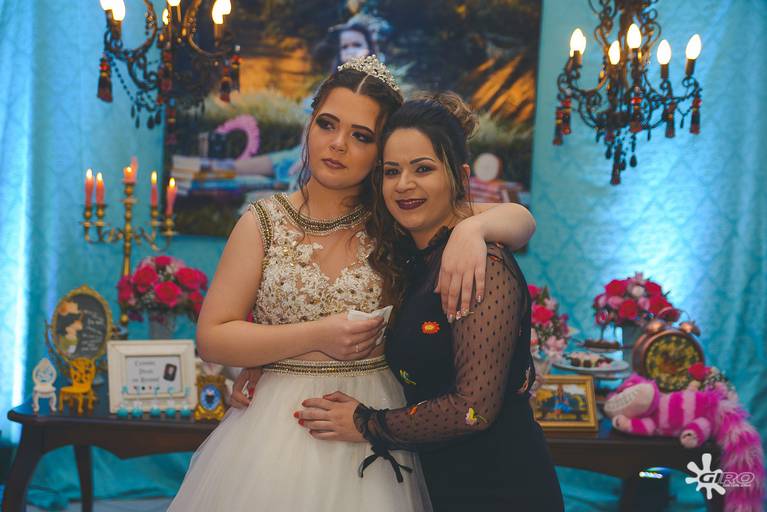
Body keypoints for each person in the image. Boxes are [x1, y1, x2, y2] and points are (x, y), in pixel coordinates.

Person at [170, 57, 536, 512]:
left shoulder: (398, 218)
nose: (338, 144)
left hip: (374, 418)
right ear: (309, 125)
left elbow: (521, 220)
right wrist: (300, 342)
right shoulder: (262, 222)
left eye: (361, 136)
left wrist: (472, 229)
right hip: (276, 425)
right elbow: (212, 337)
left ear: (380, 151)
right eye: (327, 124)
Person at [295, 93, 564, 511]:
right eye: (392, 171)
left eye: (423, 169)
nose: (404, 184)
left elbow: (473, 408)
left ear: (459, 176)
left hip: (499, 487)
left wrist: (366, 423)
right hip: (440, 482)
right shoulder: (413, 255)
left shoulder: (481, 263)